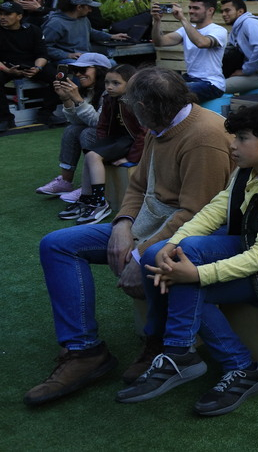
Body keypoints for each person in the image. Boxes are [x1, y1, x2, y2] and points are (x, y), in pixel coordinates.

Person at [117, 102, 258, 417]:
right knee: (165, 256)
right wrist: (173, 243)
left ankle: (181, 353)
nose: (232, 145)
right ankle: (224, 363)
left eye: (241, 138)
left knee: (188, 276)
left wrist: (198, 275)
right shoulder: (249, 168)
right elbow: (216, 208)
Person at [23, 68, 233, 406]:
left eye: (131, 104)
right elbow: (138, 186)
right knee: (57, 244)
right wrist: (122, 224)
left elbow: (196, 215)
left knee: (153, 258)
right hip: (150, 225)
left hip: (190, 236)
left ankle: (160, 344)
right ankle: (85, 352)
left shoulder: (204, 137)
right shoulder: (160, 123)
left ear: (148, 106)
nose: (128, 109)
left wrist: (139, 253)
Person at [59, 63, 146, 225]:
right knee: (90, 154)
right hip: (117, 140)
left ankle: (99, 202)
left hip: (130, 141)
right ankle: (86, 198)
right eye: (107, 83)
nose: (110, 87)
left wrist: (132, 158)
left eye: (116, 83)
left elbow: (143, 133)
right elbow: (102, 126)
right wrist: (101, 147)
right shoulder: (109, 99)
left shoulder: (136, 102)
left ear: (131, 83)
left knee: (92, 155)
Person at [34, 53, 113, 219]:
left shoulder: (109, 91)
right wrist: (66, 100)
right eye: (75, 70)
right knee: (72, 130)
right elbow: (76, 120)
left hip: (118, 138)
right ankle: (65, 181)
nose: (77, 74)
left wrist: (78, 100)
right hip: (103, 137)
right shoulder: (89, 90)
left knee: (87, 132)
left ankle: (89, 187)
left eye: (83, 69)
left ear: (100, 71)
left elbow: (99, 123)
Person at [0, 2, 58, 133]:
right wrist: (7, 70)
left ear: (19, 16)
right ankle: (4, 119)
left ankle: (46, 114)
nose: (2, 17)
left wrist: (37, 68)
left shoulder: (33, 30)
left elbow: (42, 54)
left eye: (7, 14)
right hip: (4, 65)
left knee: (57, 77)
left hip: (31, 64)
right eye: (0, 14)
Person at [150, 0, 228, 103]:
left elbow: (201, 43)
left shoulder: (219, 30)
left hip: (211, 84)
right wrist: (157, 21)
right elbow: (159, 42)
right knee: (155, 86)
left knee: (173, 93)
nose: (191, 11)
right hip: (190, 78)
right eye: (190, 8)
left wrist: (182, 19)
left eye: (196, 8)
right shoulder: (185, 30)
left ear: (210, 10)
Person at [42, 0, 127, 63]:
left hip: (84, 56)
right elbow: (45, 47)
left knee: (111, 63)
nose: (90, 10)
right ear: (79, 7)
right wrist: (67, 55)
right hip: (67, 59)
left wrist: (111, 36)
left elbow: (90, 31)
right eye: (89, 7)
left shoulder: (83, 19)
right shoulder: (55, 24)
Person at [219, 0, 258, 95]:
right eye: (222, 11)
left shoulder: (250, 23)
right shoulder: (236, 29)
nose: (223, 14)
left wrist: (245, 70)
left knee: (218, 87)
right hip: (252, 71)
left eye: (227, 10)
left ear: (240, 11)